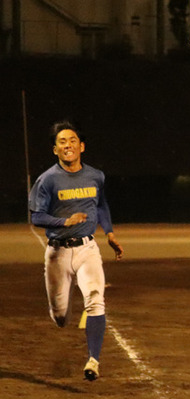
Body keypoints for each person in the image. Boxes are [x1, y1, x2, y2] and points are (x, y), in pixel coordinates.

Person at [28, 120, 124, 381]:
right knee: (60, 316)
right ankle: (61, 307)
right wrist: (63, 222)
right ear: (55, 150)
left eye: (72, 141)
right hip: (57, 253)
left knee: (95, 298)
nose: (67, 145)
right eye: (61, 142)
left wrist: (110, 233)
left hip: (87, 249)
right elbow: (36, 216)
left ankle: (93, 360)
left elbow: (101, 205)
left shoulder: (96, 176)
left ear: (81, 146)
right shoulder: (47, 180)